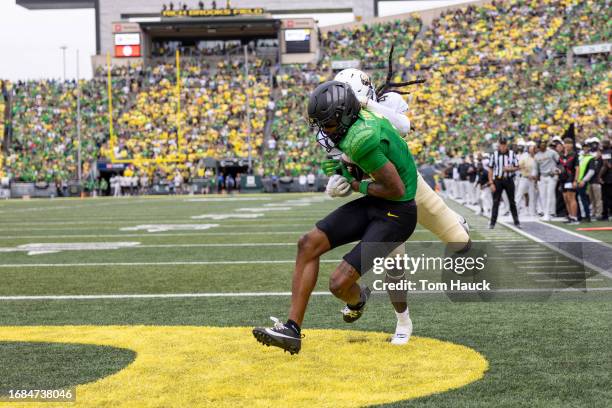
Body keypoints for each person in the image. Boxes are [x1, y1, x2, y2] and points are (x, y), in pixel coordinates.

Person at [253, 81, 418, 354]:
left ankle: (358, 299)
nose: (323, 130)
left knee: (338, 284)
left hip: (397, 213)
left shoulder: (361, 137)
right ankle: (292, 329)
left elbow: (395, 188)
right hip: (379, 203)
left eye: (327, 123)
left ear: (343, 116)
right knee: (308, 243)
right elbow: (366, 166)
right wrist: (345, 168)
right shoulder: (355, 126)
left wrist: (354, 184)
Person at [331, 67, 471, 343]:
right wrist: (339, 178)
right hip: (384, 198)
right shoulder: (338, 125)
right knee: (394, 265)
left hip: (411, 186)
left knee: (460, 241)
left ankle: (453, 218)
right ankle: (403, 322)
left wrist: (367, 105)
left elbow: (403, 126)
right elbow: (348, 164)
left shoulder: (384, 105)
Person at [488, 137, 520, 229]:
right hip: (498, 180)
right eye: (501, 145)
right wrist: (491, 183)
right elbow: (490, 169)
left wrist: (510, 169)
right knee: (496, 202)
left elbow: (517, 167)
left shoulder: (512, 154)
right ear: (499, 145)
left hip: (509, 180)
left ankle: (516, 221)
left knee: (512, 201)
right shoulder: (494, 155)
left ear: (506, 145)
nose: (502, 146)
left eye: (504, 144)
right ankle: (492, 223)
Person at [535, 139, 560, 221]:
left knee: (550, 194)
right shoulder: (537, 155)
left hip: (551, 176)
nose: (543, 145)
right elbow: (536, 168)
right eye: (541, 144)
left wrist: (557, 170)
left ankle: (549, 213)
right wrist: (537, 177)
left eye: (544, 143)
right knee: (543, 196)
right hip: (542, 176)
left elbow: (559, 161)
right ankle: (545, 212)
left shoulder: (552, 152)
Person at [559, 138, 579, 224]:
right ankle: (570, 216)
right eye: (565, 143)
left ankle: (574, 217)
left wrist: (575, 180)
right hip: (563, 179)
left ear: (572, 145)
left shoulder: (574, 154)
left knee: (571, 198)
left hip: (570, 178)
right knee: (566, 199)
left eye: (569, 143)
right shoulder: (562, 155)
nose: (567, 145)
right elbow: (559, 166)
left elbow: (577, 168)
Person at [516, 143, 537, 216]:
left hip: (533, 179)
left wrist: (534, 176)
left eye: (533, 149)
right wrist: (528, 174)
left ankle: (532, 212)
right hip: (524, 178)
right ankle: (515, 210)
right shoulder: (524, 156)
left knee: (532, 195)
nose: (532, 150)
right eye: (530, 149)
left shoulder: (537, 157)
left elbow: (537, 168)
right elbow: (520, 166)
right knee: (519, 194)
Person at [598, 138, 612, 221]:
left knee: (606, 197)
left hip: (607, 178)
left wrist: (599, 176)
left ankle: (605, 215)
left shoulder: (606, 152)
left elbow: (605, 165)